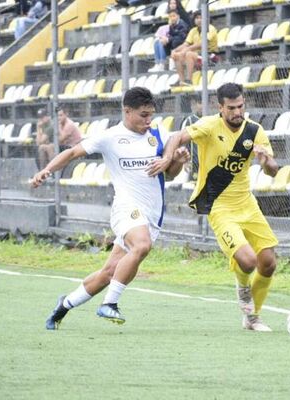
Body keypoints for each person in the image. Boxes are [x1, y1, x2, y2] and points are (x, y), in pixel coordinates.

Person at [31, 87, 190, 329]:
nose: (149, 120)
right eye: (143, 115)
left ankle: (62, 306)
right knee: (142, 245)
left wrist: (177, 160)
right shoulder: (110, 137)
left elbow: (168, 176)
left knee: (109, 273)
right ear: (127, 111)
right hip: (126, 207)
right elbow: (72, 152)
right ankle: (110, 304)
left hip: (151, 213)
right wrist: (46, 171)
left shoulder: (157, 134)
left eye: (151, 115)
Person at [161, 83, 279, 331]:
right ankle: (244, 291)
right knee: (247, 262)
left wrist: (266, 161)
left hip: (247, 204)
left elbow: (272, 171)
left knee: (268, 262)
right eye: (232, 108)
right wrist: (166, 159)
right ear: (221, 107)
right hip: (219, 206)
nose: (238, 112)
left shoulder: (254, 131)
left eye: (241, 106)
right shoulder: (209, 126)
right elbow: (176, 137)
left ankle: (251, 318)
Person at [171, 10, 218, 86]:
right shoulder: (193, 30)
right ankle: (182, 81)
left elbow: (203, 43)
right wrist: (175, 50)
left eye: (201, 18)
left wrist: (187, 49)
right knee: (177, 55)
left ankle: (189, 80)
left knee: (189, 54)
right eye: (197, 18)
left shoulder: (210, 28)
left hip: (211, 56)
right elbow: (186, 44)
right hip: (199, 56)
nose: (199, 20)